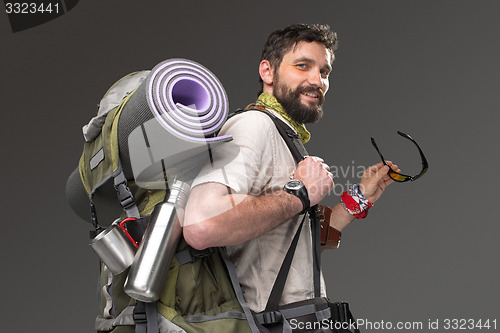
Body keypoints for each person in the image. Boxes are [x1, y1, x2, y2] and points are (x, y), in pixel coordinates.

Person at [183, 23, 398, 323]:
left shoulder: (283, 134)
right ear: (268, 72)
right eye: (302, 66)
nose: (317, 81)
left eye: (324, 72)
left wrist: (359, 198)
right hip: (271, 323)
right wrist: (300, 194)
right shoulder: (253, 126)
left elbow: (291, 236)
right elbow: (201, 225)